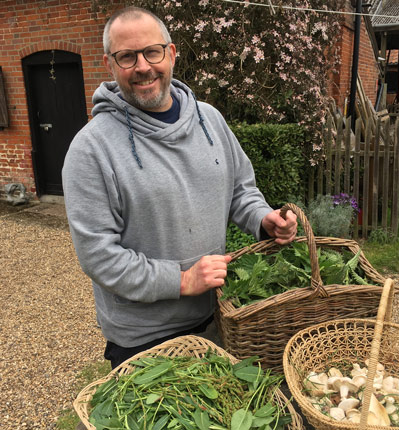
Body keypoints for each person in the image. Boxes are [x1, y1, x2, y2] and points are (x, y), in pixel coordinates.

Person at [62, 6, 297, 369]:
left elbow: (239, 189)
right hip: (144, 340)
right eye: (127, 57)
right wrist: (182, 280)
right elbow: (99, 256)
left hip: (220, 314)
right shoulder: (91, 149)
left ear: (171, 54)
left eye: (152, 52)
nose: (142, 66)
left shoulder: (211, 120)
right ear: (110, 65)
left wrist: (262, 218)